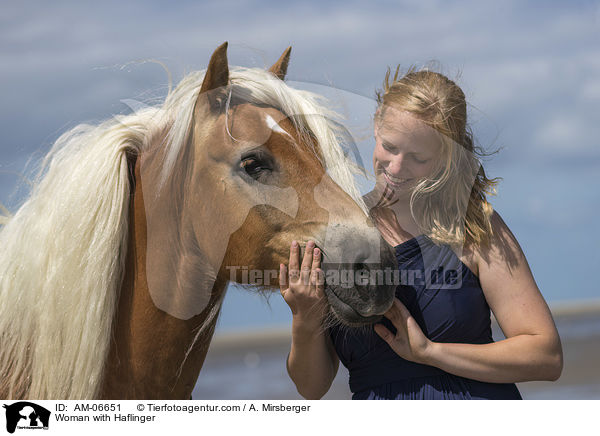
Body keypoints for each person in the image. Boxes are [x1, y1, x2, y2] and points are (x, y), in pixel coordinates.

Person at [279, 66, 563, 400]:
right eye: (390, 146)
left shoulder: (475, 226)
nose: (396, 168)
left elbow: (546, 356)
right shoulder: (338, 232)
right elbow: (312, 388)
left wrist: (430, 352)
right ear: (376, 124)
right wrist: (304, 318)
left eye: (417, 157)